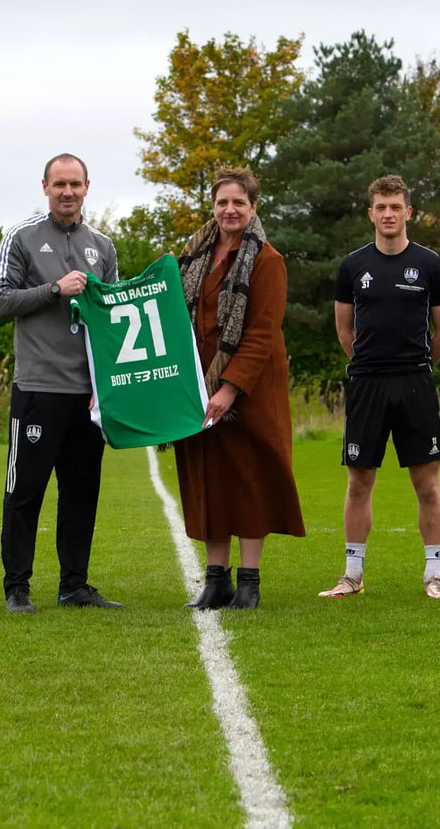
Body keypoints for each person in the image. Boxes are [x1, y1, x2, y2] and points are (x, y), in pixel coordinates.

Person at [0, 153, 123, 613]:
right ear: (44, 187)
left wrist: (108, 386)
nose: (67, 192)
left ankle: (74, 585)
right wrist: (53, 290)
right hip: (38, 389)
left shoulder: (103, 246)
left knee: (81, 493)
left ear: (88, 186)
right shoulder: (21, 237)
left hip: (87, 396)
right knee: (24, 490)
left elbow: (111, 322)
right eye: (59, 184)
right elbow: (1, 302)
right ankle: (17, 587)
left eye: (75, 184)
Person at [175, 165, 304, 610]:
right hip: (198, 386)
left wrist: (229, 388)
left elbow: (262, 333)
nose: (230, 210)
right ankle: (217, 579)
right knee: (208, 479)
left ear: (253, 206)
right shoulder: (191, 257)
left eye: (238, 203)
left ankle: (249, 581)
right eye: (222, 202)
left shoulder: (267, 260)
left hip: (250, 391)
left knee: (248, 481)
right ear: (213, 206)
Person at [320, 175, 440, 601]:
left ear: (409, 211)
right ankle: (352, 575)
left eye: (395, 206)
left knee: (427, 484)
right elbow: (345, 331)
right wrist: (369, 366)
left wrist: (416, 368)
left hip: (416, 383)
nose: (388, 214)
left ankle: (434, 575)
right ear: (371, 213)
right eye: (380, 207)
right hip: (367, 386)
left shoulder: (431, 265)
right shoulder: (352, 266)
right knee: (359, 481)